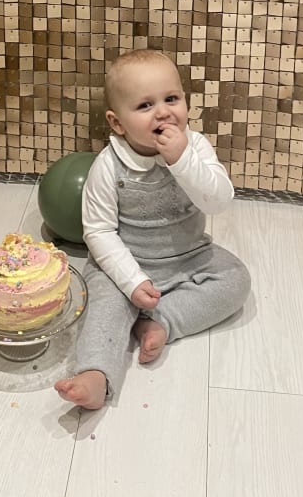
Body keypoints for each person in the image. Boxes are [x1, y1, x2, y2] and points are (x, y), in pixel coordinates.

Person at [55, 48, 250, 410]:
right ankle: (95, 374)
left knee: (237, 280)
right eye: (145, 105)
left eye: (171, 99)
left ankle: (161, 321)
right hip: (125, 264)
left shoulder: (195, 146)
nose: (163, 112)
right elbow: (98, 232)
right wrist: (131, 280)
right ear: (117, 123)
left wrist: (183, 160)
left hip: (189, 255)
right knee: (103, 307)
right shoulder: (108, 166)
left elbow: (219, 201)